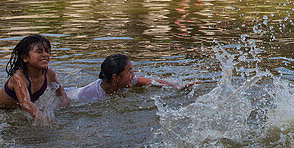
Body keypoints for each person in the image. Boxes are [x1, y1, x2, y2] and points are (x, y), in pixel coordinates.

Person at [0, 35, 69, 123]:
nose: (45, 55)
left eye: (47, 51)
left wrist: (64, 106)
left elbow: (60, 92)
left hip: (15, 109)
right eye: (39, 52)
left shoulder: (49, 74)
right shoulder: (18, 78)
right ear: (25, 57)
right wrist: (42, 119)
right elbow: (25, 102)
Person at [65, 54, 198, 105]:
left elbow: (151, 81)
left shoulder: (128, 80)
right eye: (129, 71)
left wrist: (177, 85)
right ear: (116, 77)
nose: (133, 75)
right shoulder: (93, 96)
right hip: (69, 97)